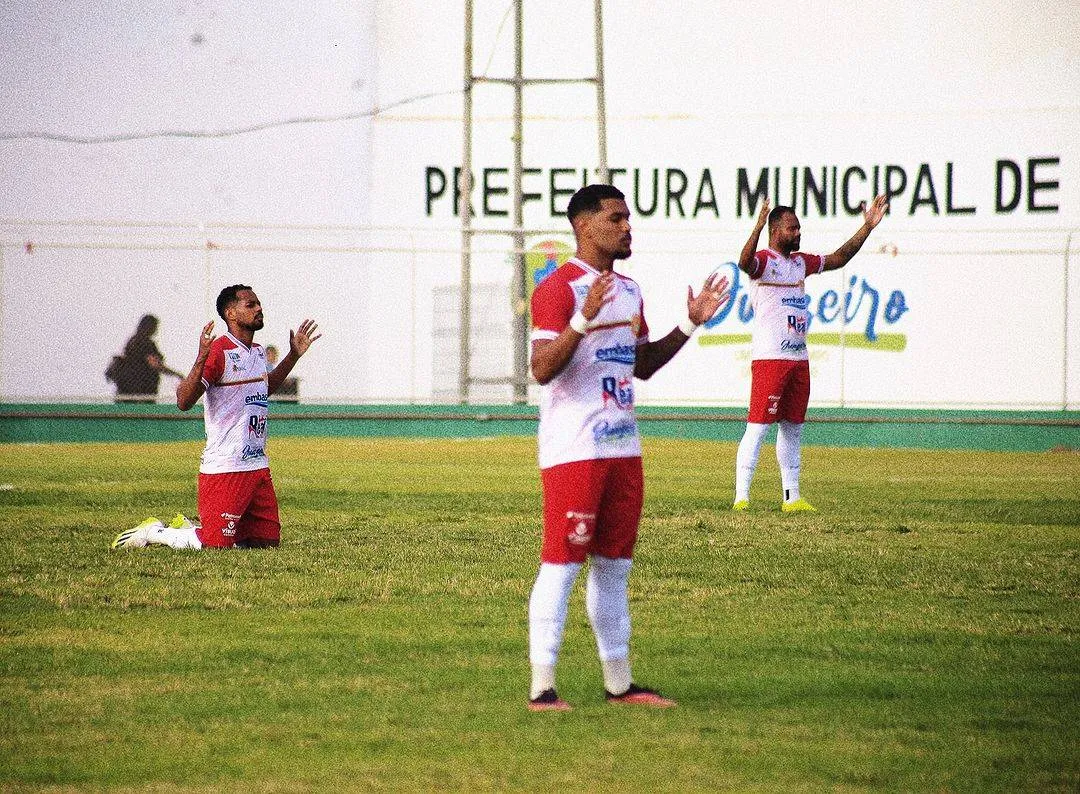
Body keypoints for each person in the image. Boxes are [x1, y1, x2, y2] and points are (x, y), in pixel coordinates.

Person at [526, 184, 731, 711]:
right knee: (563, 563)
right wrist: (580, 320)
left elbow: (641, 365)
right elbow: (542, 369)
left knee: (615, 566)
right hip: (575, 451)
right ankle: (543, 689)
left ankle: (620, 684)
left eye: (628, 219)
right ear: (583, 226)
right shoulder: (558, 289)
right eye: (615, 219)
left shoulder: (631, 290)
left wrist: (690, 323)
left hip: (624, 448)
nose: (626, 227)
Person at [112, 285, 321, 550]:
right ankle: (155, 532)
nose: (259, 308)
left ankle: (190, 528)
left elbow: (264, 389)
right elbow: (184, 402)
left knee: (265, 544)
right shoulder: (219, 352)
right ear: (230, 313)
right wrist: (201, 358)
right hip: (226, 466)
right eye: (251, 305)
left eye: (258, 304)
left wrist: (293, 355)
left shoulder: (256, 351)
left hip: (256, 466)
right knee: (215, 545)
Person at [732, 195, 889, 512]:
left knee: (792, 426)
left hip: (798, 359)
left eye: (799, 228)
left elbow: (840, 257)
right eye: (792, 228)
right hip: (770, 359)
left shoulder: (801, 263)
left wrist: (867, 227)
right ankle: (742, 497)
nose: (798, 233)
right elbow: (743, 263)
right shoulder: (764, 261)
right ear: (776, 231)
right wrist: (757, 226)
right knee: (758, 426)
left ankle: (792, 497)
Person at [108, 314, 183, 402]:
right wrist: (177, 375)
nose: (156, 330)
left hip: (125, 392)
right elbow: (155, 364)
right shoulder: (145, 342)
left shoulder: (132, 341)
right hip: (142, 391)